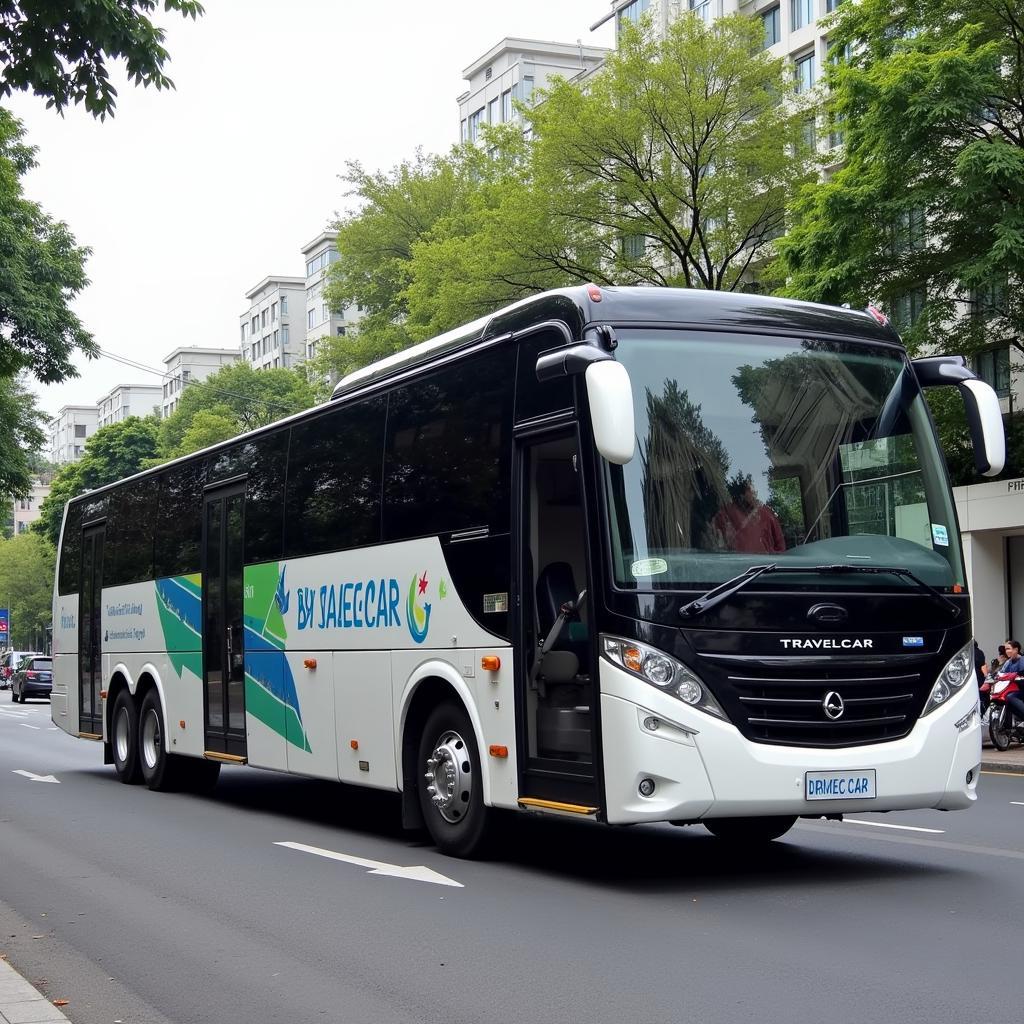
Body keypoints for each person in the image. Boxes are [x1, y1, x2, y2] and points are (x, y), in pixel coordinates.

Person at [713, 475, 786, 555]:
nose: (754, 492)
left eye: (754, 489)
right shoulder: (726, 512)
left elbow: (780, 547)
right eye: (749, 489)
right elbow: (714, 543)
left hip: (765, 565)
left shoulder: (767, 514)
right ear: (742, 493)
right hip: (734, 564)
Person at [1003, 640, 1024, 724]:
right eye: (1005, 649)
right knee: (1005, 698)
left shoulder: (1022, 660)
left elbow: (1021, 673)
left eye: (1008, 649)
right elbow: (1002, 673)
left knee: (1010, 697)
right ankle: (1008, 728)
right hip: (1014, 688)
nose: (1006, 651)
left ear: (1016, 649)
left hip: (1022, 689)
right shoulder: (1008, 662)